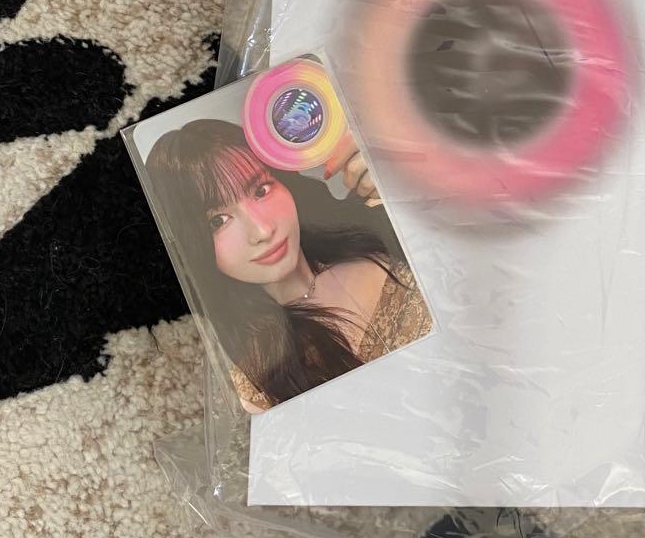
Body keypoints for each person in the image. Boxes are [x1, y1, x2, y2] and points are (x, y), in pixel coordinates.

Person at [146, 118, 432, 413]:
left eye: (261, 190)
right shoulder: (258, 382)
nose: (262, 230)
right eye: (218, 221)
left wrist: (408, 171)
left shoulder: (370, 233)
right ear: (191, 244)